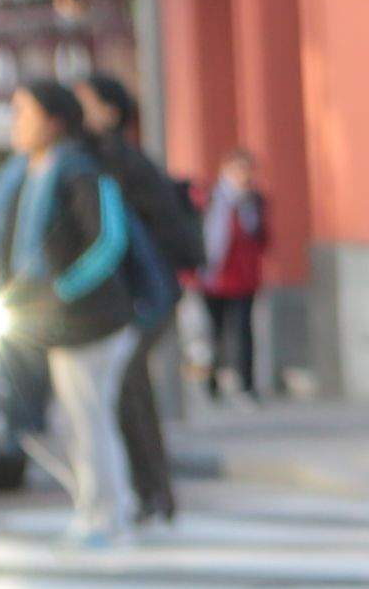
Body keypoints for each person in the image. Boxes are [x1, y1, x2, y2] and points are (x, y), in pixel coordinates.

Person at [0, 78, 143, 547]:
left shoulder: (77, 169)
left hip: (91, 322)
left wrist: (62, 290)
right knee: (75, 421)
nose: (15, 122)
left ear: (53, 121)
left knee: (88, 421)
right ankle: (105, 506)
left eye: (24, 112)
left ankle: (105, 513)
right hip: (55, 322)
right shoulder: (25, 173)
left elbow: (108, 240)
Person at [81, 75, 197, 530]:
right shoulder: (106, 157)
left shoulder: (114, 160)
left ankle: (153, 493)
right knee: (130, 389)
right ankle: (153, 493)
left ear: (110, 112)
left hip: (152, 294)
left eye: (85, 102)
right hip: (147, 293)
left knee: (128, 385)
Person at [198, 149, 271, 399]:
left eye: (246, 170)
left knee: (243, 331)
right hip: (213, 277)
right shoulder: (210, 198)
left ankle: (246, 385)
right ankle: (213, 382)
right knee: (214, 332)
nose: (243, 176)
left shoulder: (254, 201)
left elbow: (262, 237)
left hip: (244, 277)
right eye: (237, 170)